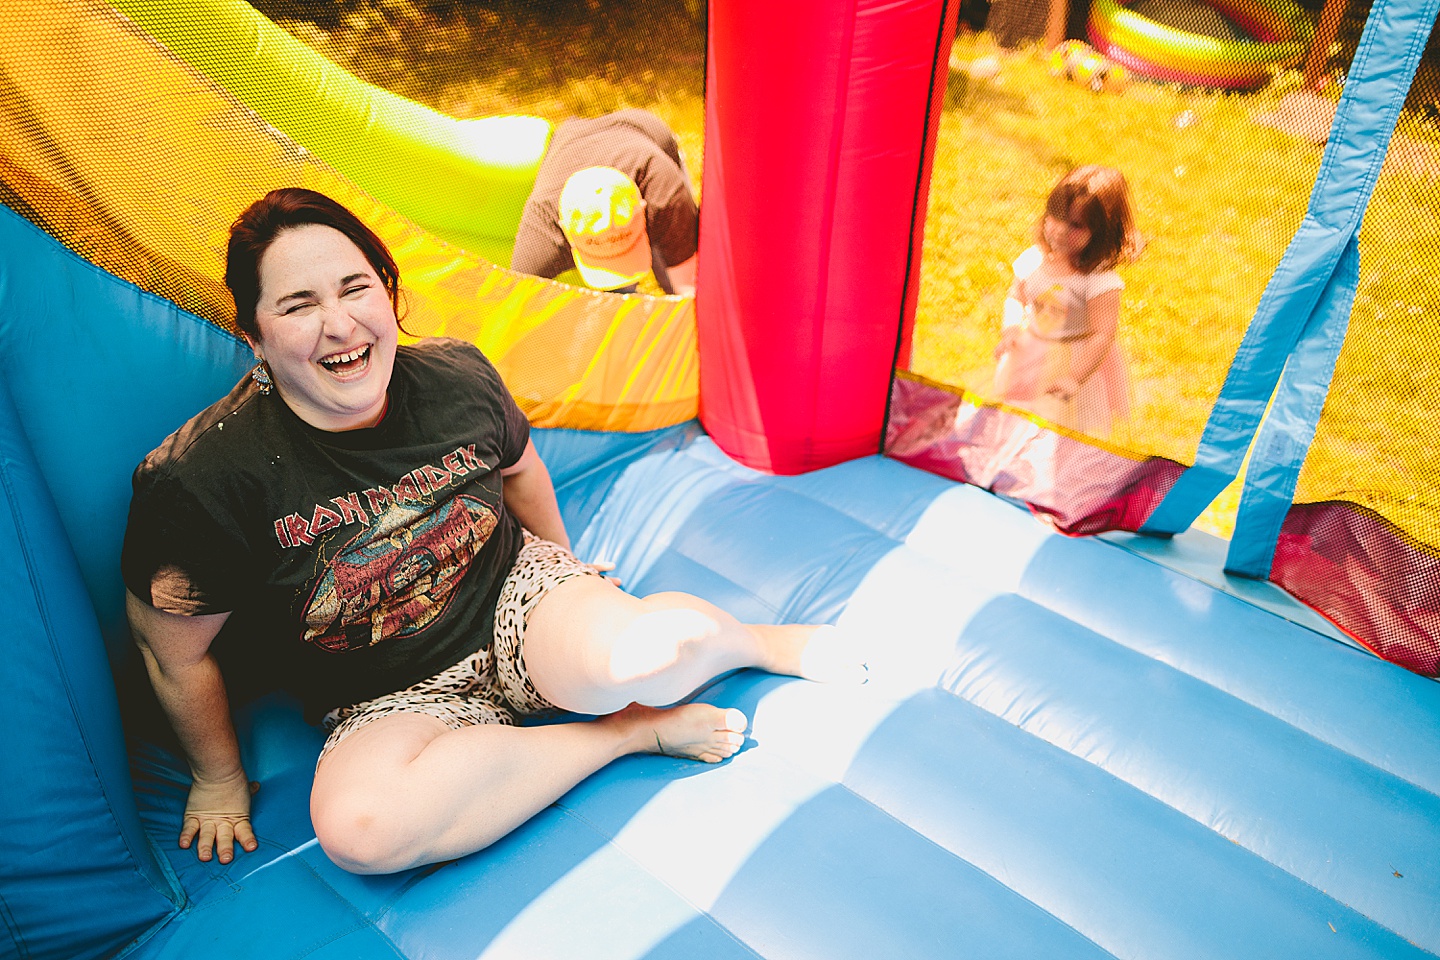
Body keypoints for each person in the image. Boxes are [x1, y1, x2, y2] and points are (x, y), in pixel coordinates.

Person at [121, 188, 856, 875]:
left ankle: (762, 640)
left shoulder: (454, 379)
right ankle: (629, 733)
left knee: (661, 651)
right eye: (298, 305)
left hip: (514, 603)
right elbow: (171, 652)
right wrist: (217, 780)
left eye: (355, 288)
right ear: (253, 334)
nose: (339, 325)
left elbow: (523, 471)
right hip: (383, 696)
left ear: (388, 289)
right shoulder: (204, 477)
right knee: (361, 832)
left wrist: (567, 573)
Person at [991, 165, 1139, 439]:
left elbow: (1103, 333)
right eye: (1055, 217)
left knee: (1062, 426)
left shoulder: (1097, 280)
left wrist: (1075, 377)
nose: (1059, 230)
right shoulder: (1035, 259)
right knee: (1016, 411)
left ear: (1101, 233)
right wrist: (1011, 328)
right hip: (1031, 349)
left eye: (1075, 225)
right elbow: (1016, 295)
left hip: (1073, 359)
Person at [509, 108, 698, 296]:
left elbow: (688, 289)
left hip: (642, 129)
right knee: (612, 295)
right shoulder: (542, 224)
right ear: (565, 229)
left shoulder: (666, 195)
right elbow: (515, 305)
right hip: (572, 137)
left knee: (671, 273)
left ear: (643, 209)